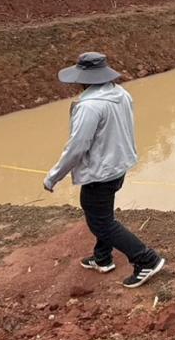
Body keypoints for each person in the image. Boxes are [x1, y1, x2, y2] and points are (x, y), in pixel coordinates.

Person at [43, 51, 165, 289]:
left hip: (100, 172)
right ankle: (102, 258)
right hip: (118, 166)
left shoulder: (89, 106)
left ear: (83, 78)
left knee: (100, 223)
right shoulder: (121, 94)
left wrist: (54, 176)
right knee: (103, 215)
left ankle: (146, 260)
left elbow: (77, 147)